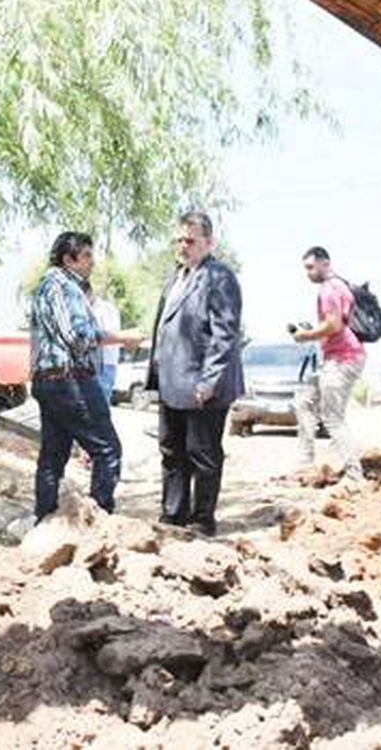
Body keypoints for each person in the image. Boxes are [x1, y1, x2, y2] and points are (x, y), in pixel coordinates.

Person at [28, 231, 142, 521]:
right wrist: (121, 337)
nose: (93, 262)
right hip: (69, 380)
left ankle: (45, 522)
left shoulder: (53, 285)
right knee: (107, 450)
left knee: (53, 458)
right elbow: (77, 336)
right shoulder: (62, 286)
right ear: (69, 259)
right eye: (87, 256)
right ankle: (99, 522)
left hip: (52, 379)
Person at [146, 211, 244, 536]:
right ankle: (173, 515)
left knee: (202, 454)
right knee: (171, 451)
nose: (183, 246)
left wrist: (209, 380)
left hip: (204, 386)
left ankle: (202, 521)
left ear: (208, 242)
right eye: (180, 239)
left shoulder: (220, 276)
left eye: (190, 240)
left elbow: (224, 333)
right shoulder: (176, 277)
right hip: (173, 383)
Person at [291, 245, 367, 484]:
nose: (309, 273)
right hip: (335, 358)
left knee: (333, 417)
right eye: (306, 268)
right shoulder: (337, 286)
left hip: (343, 359)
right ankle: (305, 463)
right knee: (302, 401)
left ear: (325, 263)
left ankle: (355, 476)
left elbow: (333, 325)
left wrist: (306, 335)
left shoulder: (330, 289)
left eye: (311, 267)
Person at [90, 290, 122, 406]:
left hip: (104, 365)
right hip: (90, 366)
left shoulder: (106, 310)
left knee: (99, 409)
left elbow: (110, 337)